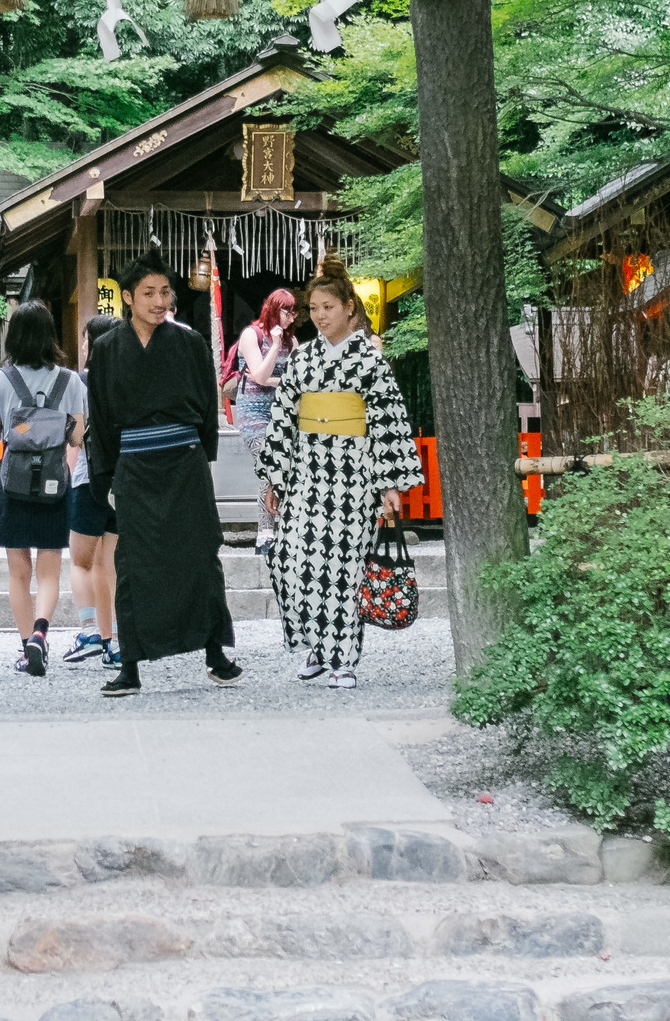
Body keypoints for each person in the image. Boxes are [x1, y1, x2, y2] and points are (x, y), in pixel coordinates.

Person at [256, 257, 423, 690]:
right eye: (314, 309)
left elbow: (388, 422)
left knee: (346, 567)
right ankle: (316, 643)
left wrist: (389, 483)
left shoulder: (370, 359)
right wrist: (275, 477)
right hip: (307, 474)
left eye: (328, 306)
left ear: (349, 306)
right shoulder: (301, 359)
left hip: (354, 476)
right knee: (294, 560)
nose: (320, 315)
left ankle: (343, 658)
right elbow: (284, 419)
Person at [87, 256, 239, 697]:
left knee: (200, 555)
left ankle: (215, 653)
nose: (159, 301)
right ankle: (130, 665)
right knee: (132, 564)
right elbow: (100, 414)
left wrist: (202, 457)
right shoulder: (108, 349)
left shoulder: (190, 344)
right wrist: (107, 476)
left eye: (165, 292)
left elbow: (208, 411)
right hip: (135, 466)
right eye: (148, 293)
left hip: (184, 464)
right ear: (128, 298)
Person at [0, 302, 86, 677]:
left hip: (14, 482)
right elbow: (76, 437)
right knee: (49, 570)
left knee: (17, 572)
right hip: (55, 482)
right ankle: (42, 632)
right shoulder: (70, 381)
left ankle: (28, 649)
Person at [62, 313, 121, 667]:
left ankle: (89, 632)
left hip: (88, 481)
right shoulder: (128, 380)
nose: (82, 344)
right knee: (107, 565)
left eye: (85, 338)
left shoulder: (81, 383)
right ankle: (111, 638)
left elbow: (75, 438)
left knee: (81, 562)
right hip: (120, 483)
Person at [234, 288, 295, 554]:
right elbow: (259, 376)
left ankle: (280, 532)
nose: (291, 318)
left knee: (282, 468)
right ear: (273, 308)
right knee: (268, 464)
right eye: (287, 311)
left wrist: (270, 379)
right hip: (253, 414)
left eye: (294, 312)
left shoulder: (294, 343)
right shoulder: (252, 335)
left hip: (281, 415)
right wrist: (275, 347)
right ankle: (265, 535)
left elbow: (295, 380)